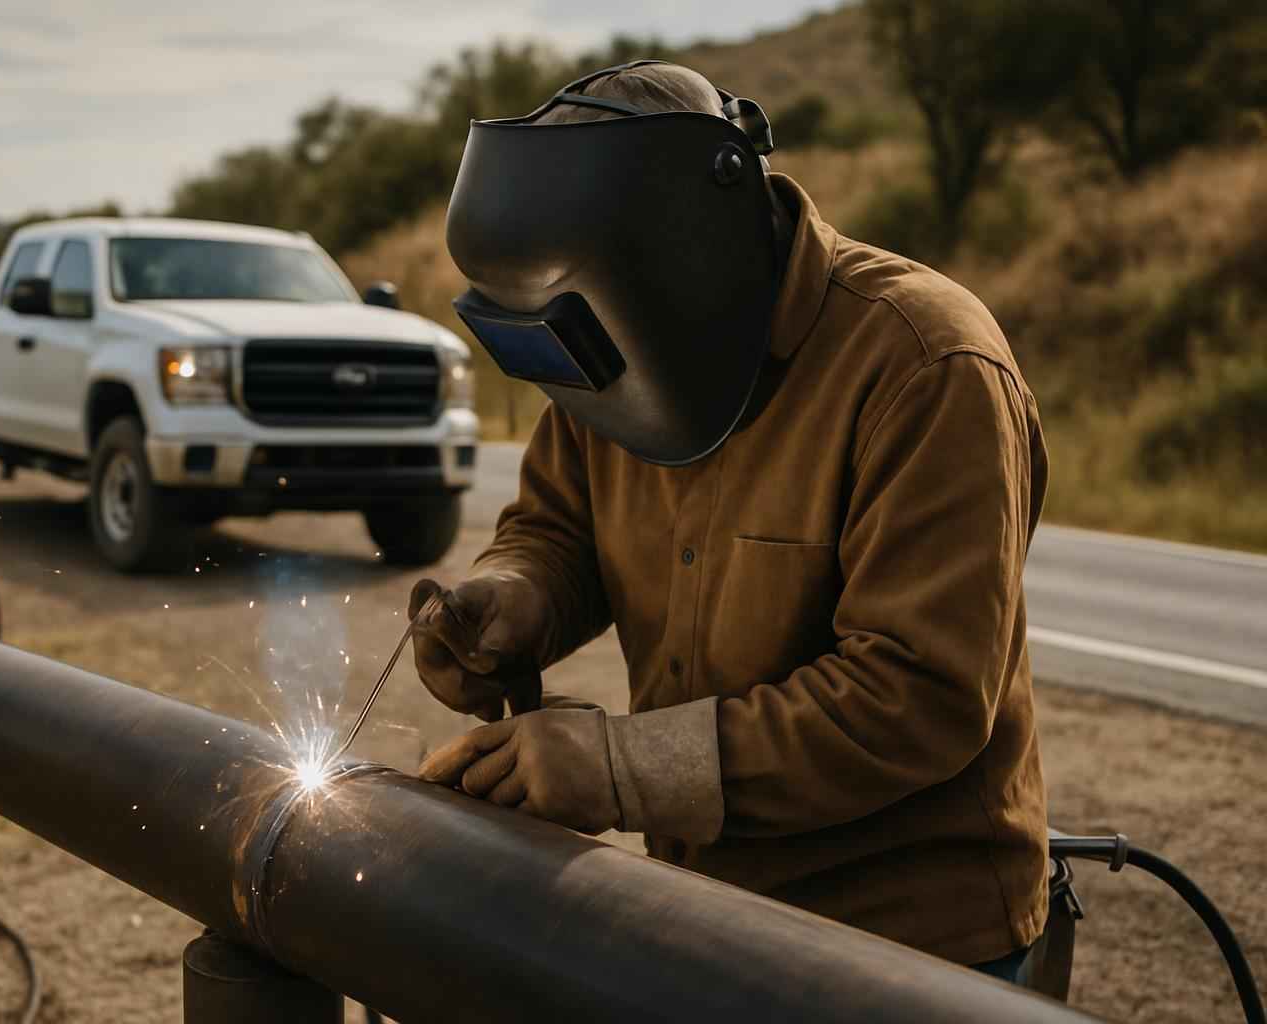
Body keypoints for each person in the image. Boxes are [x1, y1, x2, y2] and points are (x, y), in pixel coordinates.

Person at [409, 60, 1050, 983]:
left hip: (912, 949)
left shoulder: (924, 364)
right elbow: (557, 528)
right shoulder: (611, 324)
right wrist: (512, 597)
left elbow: (917, 698)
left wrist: (620, 770)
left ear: (693, 249)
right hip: (703, 908)